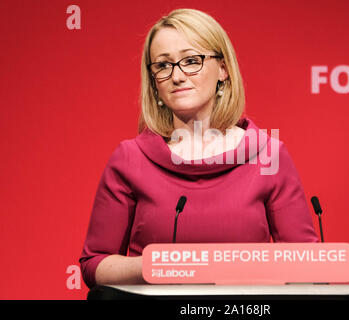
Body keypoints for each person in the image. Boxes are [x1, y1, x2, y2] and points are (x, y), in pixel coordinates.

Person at [79, 8, 318, 289]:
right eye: (163, 65)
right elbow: (95, 264)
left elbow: (308, 265)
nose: (177, 76)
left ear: (223, 69)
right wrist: (161, 265)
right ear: (154, 82)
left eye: (191, 61)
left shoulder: (268, 154)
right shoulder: (130, 158)